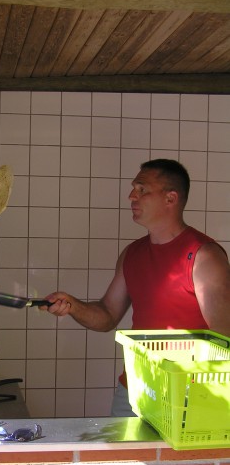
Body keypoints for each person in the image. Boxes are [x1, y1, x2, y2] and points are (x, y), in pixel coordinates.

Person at [41, 159, 230, 417]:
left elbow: (224, 337)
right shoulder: (132, 253)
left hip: (187, 395)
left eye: (142, 189)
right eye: (133, 189)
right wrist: (72, 305)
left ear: (170, 198)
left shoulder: (203, 255)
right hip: (133, 390)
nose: (132, 196)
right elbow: (107, 315)